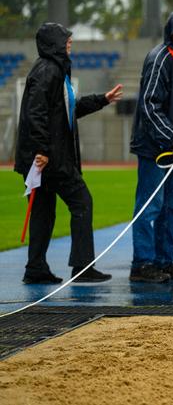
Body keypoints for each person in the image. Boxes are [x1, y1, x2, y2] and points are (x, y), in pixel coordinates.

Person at [14, 22, 123, 284]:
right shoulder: (49, 71)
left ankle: (35, 268)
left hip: (45, 157)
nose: (70, 43)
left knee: (43, 212)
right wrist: (41, 149)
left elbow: (68, 110)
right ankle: (82, 268)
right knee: (82, 202)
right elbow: (35, 112)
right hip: (51, 158)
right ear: (54, 43)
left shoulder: (54, 70)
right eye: (66, 40)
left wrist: (102, 99)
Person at [129, 9, 173, 283]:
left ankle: (163, 260)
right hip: (153, 147)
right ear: (171, 33)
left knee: (171, 206)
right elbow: (149, 104)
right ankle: (142, 264)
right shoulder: (160, 58)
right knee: (150, 206)